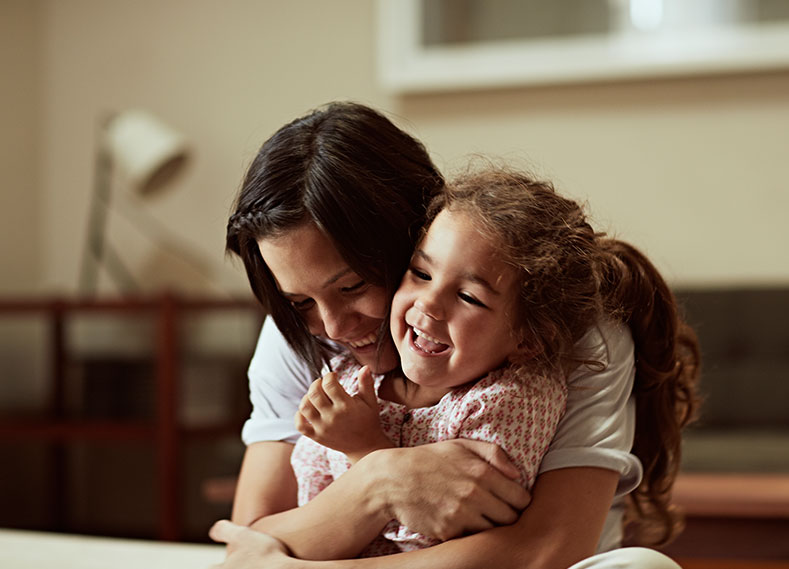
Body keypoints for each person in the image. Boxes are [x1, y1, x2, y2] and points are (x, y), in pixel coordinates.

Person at [216, 101, 700, 568]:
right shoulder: (300, 334)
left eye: (353, 286)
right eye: (300, 301)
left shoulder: (574, 334)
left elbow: (542, 552)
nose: (335, 328)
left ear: (418, 236)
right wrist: (380, 480)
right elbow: (249, 539)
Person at [290, 176, 575, 556]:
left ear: (527, 340)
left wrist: (367, 450)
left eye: (468, 297)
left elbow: (446, 535)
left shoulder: (512, 400)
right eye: (421, 274)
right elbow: (309, 505)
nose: (429, 304)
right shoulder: (350, 374)